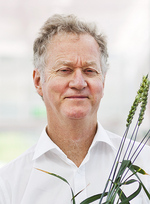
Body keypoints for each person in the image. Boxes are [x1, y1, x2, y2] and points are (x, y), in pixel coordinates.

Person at [0, 14, 150, 204]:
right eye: (65, 70)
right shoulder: (8, 184)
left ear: (103, 81)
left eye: (89, 71)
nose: (79, 83)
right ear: (39, 82)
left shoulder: (144, 165)